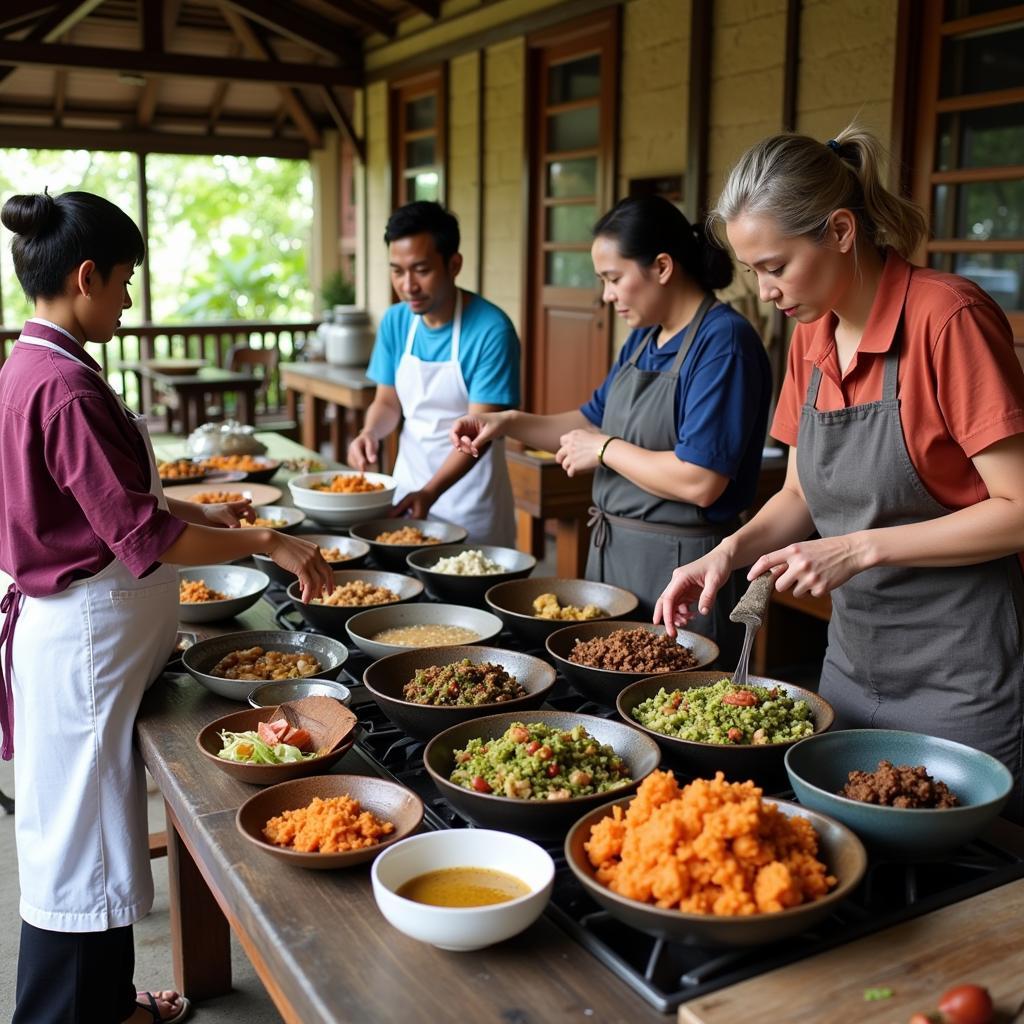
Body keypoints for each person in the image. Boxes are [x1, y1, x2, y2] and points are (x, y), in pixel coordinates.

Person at [0, 190, 334, 1024]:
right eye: (124, 283)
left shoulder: (38, 366)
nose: (127, 301)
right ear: (85, 277)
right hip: (81, 642)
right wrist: (270, 544)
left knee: (93, 846)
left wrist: (206, 515)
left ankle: (111, 1004)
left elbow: (114, 506)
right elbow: (143, 536)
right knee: (81, 860)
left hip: (85, 637)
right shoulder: (67, 389)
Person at [654, 125, 1024, 822]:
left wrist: (859, 547)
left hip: (963, 676)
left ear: (842, 231)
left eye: (776, 266)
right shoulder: (811, 336)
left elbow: (1017, 507)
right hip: (851, 668)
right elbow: (799, 493)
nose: (763, 291)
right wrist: (729, 553)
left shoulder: (949, 319)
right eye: (752, 269)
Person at [452, 196, 771, 661]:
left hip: (683, 568)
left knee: (675, 710)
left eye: (613, 278)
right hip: (614, 558)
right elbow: (588, 421)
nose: (606, 295)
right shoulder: (644, 339)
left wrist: (604, 449)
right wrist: (507, 422)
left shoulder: (723, 342)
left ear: (662, 266)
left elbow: (700, 480)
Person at [347, 201, 520, 546]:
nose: (407, 285)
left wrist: (431, 493)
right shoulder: (396, 322)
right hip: (408, 492)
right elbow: (387, 402)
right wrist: (370, 433)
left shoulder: (491, 330)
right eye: (397, 271)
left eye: (421, 270)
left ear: (453, 264)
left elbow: (480, 433)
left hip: (471, 503)